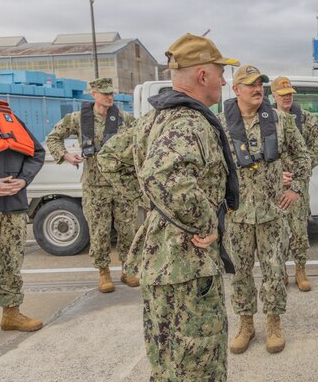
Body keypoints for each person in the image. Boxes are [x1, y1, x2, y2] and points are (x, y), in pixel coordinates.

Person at [128, 33, 240, 380]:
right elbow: (162, 176)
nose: (225, 80)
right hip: (186, 267)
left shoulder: (152, 119)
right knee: (197, 366)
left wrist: (154, 212)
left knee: (168, 362)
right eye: (220, 71)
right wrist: (206, 223)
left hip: (165, 265)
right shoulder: (189, 122)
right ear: (202, 76)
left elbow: (113, 161)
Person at [221, 65, 309, 355]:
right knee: (241, 272)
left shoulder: (281, 121)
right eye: (250, 84)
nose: (257, 88)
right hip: (238, 216)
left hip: (272, 214)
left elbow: (302, 156)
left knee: (273, 270)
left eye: (260, 83)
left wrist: (294, 188)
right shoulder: (221, 125)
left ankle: (274, 323)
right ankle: (246, 324)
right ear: (236, 90)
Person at [46, 77, 137, 293]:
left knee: (127, 229)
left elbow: (141, 138)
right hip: (95, 186)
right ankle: (103, 272)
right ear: (93, 94)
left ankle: (128, 268)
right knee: (99, 231)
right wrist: (65, 155)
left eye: (111, 93)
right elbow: (53, 138)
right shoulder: (78, 119)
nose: (109, 97)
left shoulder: (124, 118)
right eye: (104, 93)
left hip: (121, 185)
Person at [0, 70, 46, 332]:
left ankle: (11, 313)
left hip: (12, 206)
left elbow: (37, 152)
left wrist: (24, 180)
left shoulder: (8, 118)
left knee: (12, 262)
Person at [270, 76, 318, 292]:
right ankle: (280, 270)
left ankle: (300, 270)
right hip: (274, 186)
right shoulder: (266, 121)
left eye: (290, 93)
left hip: (298, 186)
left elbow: (314, 154)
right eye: (282, 95)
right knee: (276, 230)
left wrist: (296, 177)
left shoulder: (307, 120)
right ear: (273, 96)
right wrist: (276, 174)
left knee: (299, 230)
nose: (287, 97)